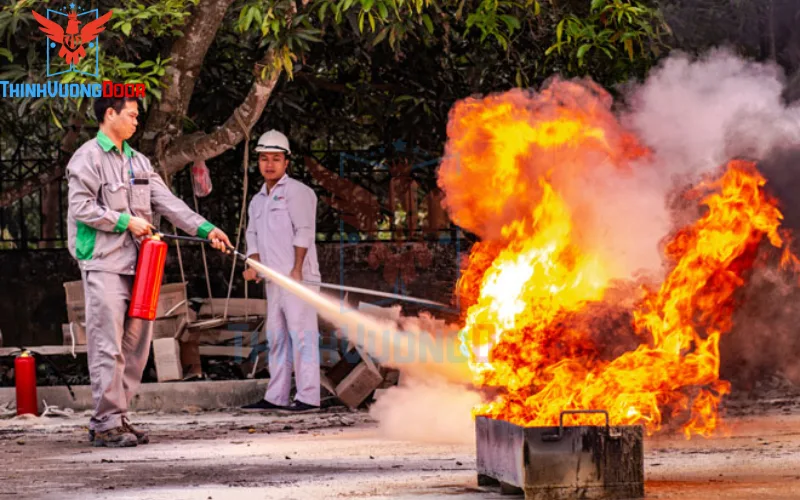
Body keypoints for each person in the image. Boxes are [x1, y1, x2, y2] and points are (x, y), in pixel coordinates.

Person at [66, 96, 231, 447]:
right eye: (131, 115)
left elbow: (169, 204)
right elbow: (81, 208)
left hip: (139, 266)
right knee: (107, 345)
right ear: (109, 114)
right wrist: (126, 221)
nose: (136, 121)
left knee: (137, 345)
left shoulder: (138, 162)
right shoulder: (87, 158)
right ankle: (105, 421)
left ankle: (117, 417)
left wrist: (206, 230)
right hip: (103, 263)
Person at [241, 129, 322, 413]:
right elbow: (252, 234)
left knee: (302, 337)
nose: (269, 164)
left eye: (276, 158)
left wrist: (297, 269)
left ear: (287, 162)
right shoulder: (258, 200)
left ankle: (308, 397)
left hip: (299, 279)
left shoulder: (298, 192)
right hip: (273, 281)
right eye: (264, 159)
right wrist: (252, 263)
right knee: (277, 338)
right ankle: (276, 396)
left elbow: (305, 231)